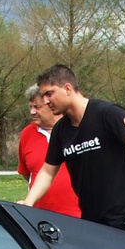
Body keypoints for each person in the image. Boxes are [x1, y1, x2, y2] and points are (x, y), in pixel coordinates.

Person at [20, 65, 125, 228]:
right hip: (92, 223)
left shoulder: (108, 113)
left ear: (67, 88)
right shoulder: (61, 130)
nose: (45, 101)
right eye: (43, 96)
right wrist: (29, 201)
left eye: (49, 94)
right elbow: (47, 172)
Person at [17, 83, 79, 217]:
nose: (32, 112)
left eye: (37, 107)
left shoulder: (77, 128)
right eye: (30, 107)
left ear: (51, 105)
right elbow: (27, 173)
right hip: (41, 217)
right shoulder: (26, 135)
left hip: (81, 216)